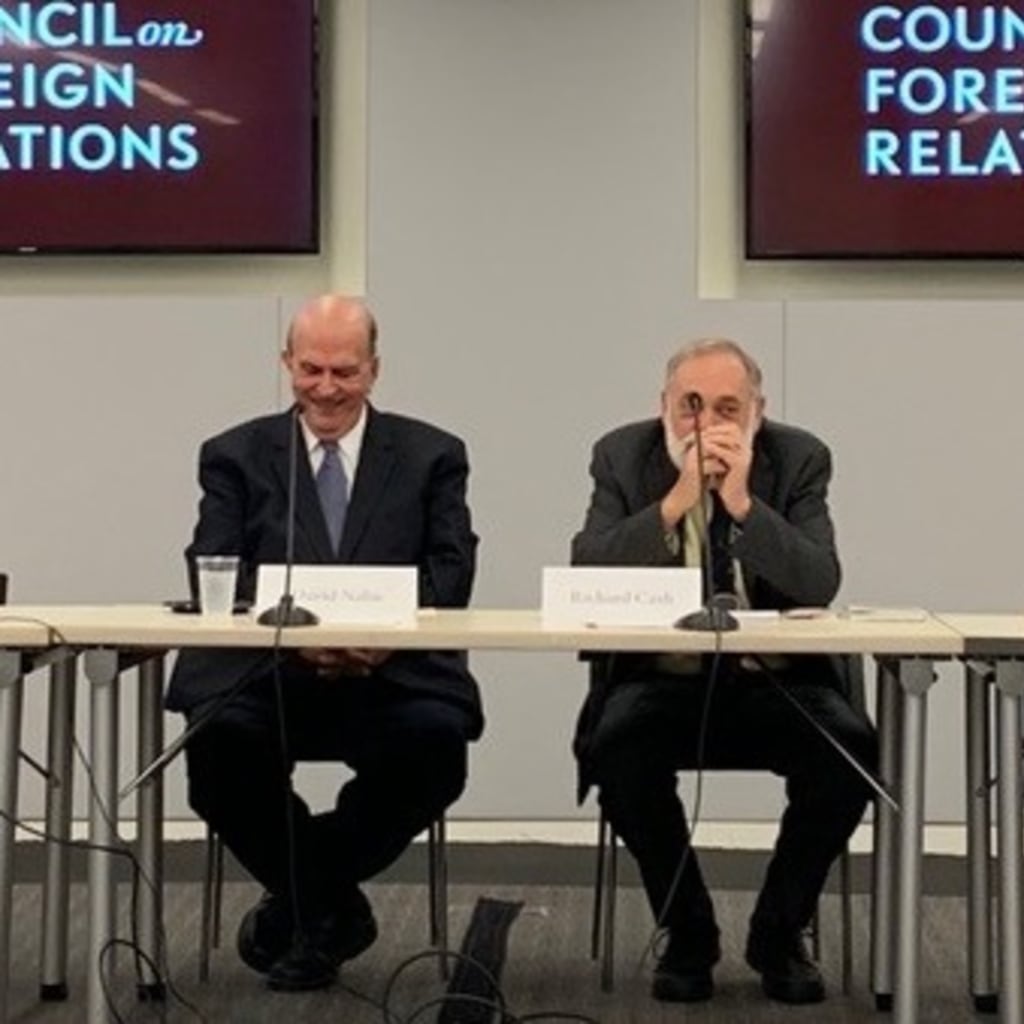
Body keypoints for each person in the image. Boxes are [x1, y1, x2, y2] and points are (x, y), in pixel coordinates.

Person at [166, 294, 483, 992]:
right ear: (286, 363)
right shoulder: (234, 455)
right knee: (217, 754)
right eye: (311, 370)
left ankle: (300, 907)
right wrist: (298, 641)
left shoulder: (433, 455)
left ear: (374, 369)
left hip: (393, 675)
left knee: (436, 751)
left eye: (345, 371)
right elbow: (215, 568)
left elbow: (451, 573)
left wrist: (378, 639)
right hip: (269, 673)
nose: (327, 389)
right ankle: (331, 908)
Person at [571, 338, 877, 1005]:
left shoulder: (798, 459)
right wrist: (676, 501)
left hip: (778, 683)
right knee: (615, 750)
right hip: (661, 682)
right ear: (663, 407)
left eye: (727, 408)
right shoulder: (622, 456)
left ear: (757, 413)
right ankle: (687, 932)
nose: (706, 424)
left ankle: (778, 932)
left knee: (850, 751)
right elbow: (587, 570)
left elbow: (818, 581)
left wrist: (742, 505)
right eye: (690, 406)